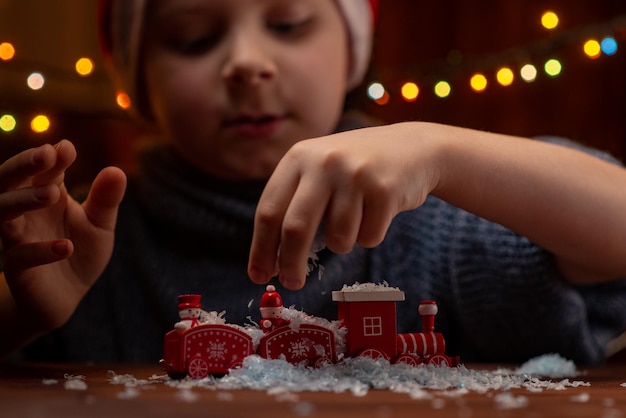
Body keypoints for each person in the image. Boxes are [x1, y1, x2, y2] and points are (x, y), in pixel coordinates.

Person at [1, 0, 626, 364]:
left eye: (291, 22)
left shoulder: (429, 222)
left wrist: (444, 153)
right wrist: (16, 317)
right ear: (138, 81)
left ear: (352, 49)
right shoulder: (81, 244)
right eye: (193, 38)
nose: (247, 63)